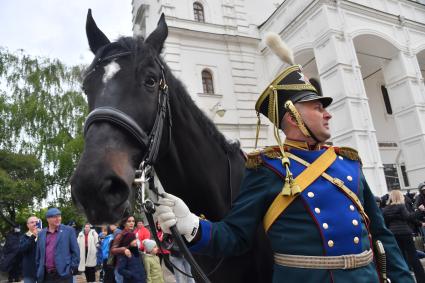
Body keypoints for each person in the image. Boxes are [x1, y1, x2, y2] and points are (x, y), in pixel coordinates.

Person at [155, 33, 415, 282]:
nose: (328, 114)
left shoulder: (347, 163)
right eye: (317, 107)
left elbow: (381, 236)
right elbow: (235, 236)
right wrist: (192, 225)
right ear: (293, 117)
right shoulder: (265, 169)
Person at [383, 190, 425, 282]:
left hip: (393, 234)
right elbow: (409, 217)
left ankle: (404, 279)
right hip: (405, 233)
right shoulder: (401, 206)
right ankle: (421, 279)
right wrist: (419, 211)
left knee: (400, 257)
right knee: (413, 256)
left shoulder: (385, 209)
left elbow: (385, 224)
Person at [36, 207, 79, 283]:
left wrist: (71, 269)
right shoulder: (41, 234)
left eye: (59, 216)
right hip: (46, 275)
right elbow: (38, 255)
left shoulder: (68, 230)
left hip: (63, 274)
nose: (58, 218)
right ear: (48, 219)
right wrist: (38, 270)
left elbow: (76, 252)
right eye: (54, 217)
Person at [111, 216, 136, 283]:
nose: (132, 223)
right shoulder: (120, 235)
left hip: (130, 266)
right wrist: (124, 250)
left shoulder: (133, 234)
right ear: (124, 223)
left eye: (133, 221)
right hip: (121, 267)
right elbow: (113, 250)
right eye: (129, 221)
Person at [19, 216, 40, 283]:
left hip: (42, 270)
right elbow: (22, 249)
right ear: (27, 225)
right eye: (32, 222)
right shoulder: (23, 237)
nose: (34, 224)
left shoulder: (43, 235)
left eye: (36, 222)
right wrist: (33, 236)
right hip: (29, 271)